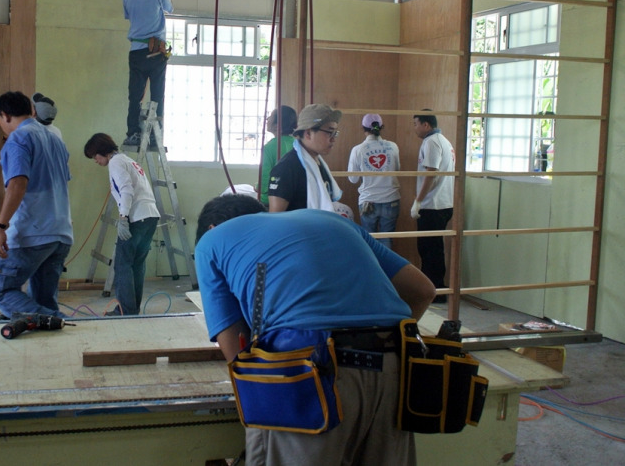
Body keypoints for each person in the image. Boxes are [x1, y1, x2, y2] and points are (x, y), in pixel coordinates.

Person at [194, 195, 435, 466]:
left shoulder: (211, 242)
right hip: (394, 368)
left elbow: (233, 344)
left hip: (307, 374)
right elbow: (423, 291)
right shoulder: (334, 221)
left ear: (211, 228)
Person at [0, 91, 74, 319]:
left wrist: (0, 225)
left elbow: (17, 184)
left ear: (5, 116)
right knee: (43, 300)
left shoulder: (18, 138)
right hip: (60, 232)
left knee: (1, 291)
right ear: (32, 111)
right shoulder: (56, 140)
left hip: (32, 233)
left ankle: (59, 321)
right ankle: (57, 331)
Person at [83, 133, 160, 316]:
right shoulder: (128, 160)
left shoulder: (116, 163)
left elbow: (126, 190)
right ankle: (132, 309)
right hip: (150, 216)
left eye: (95, 156)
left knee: (123, 265)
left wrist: (123, 218)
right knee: (137, 265)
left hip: (136, 218)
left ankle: (125, 311)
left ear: (102, 151)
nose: (96, 161)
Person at [122, 0, 173, 146]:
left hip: (136, 51)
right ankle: (154, 136)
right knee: (157, 95)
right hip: (156, 52)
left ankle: (133, 134)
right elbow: (170, 8)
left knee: (135, 96)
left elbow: (129, 16)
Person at [411, 110, 455, 303]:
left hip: (433, 204)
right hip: (443, 203)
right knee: (433, 248)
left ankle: (434, 291)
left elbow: (431, 172)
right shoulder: (443, 141)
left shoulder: (432, 142)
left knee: (429, 249)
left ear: (426, 125)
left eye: (416, 124)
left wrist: (418, 201)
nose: (414, 128)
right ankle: (434, 289)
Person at [267, 103, 343, 213]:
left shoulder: (318, 164)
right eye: (330, 132)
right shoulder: (286, 168)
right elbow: (275, 217)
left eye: (335, 133)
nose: (333, 139)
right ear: (308, 133)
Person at [347, 113, 401, 249]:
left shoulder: (358, 150)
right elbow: (397, 170)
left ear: (363, 128)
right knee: (387, 239)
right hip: (391, 200)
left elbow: (352, 179)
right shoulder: (393, 146)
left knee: (369, 241)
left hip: (368, 201)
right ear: (381, 127)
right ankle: (385, 264)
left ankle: (372, 263)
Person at [259, 105, 297, 207]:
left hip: (272, 199)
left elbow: (264, 181)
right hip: (296, 198)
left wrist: (258, 187)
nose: (267, 119)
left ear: (277, 125)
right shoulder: (298, 144)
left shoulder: (269, 147)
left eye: (270, 117)